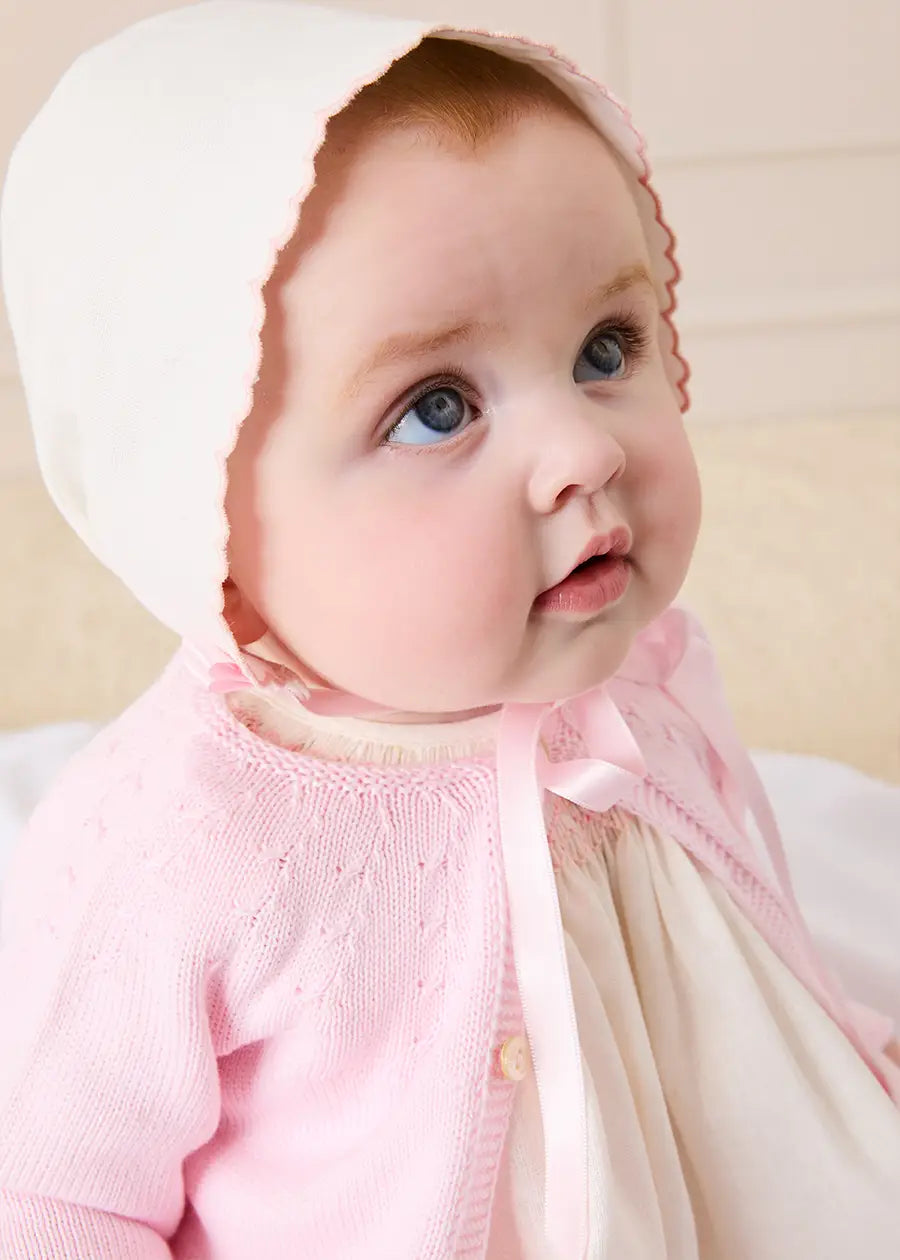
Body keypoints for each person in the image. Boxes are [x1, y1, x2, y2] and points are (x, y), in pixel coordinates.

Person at [1, 3, 898, 1257]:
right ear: (205, 529)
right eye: (436, 408)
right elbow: (53, 1199)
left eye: (606, 348)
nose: (584, 449)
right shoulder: (186, 846)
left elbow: (729, 948)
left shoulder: (629, 682)